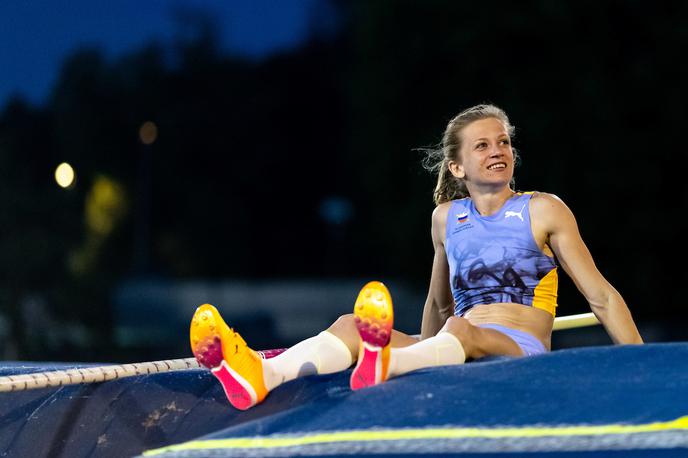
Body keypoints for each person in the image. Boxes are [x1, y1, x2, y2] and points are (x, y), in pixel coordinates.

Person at [189, 104, 643, 411]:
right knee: (350, 324)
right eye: (482, 146)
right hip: (455, 342)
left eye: (503, 142)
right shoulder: (446, 218)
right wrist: (423, 369)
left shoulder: (544, 209)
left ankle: (388, 363)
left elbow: (601, 296)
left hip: (518, 352)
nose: (498, 151)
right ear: (457, 168)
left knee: (461, 329)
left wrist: (645, 366)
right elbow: (437, 305)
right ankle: (262, 374)